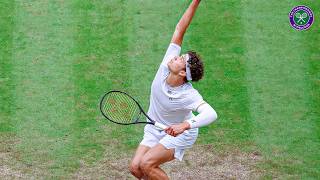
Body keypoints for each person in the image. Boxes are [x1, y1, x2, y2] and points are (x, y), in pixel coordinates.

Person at [129, 0, 217, 179]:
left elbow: (211, 114)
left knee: (147, 164)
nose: (175, 57)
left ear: (183, 72)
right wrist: (195, 1)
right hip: (155, 128)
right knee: (136, 168)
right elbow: (179, 29)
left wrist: (184, 125)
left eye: (180, 59)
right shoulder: (166, 64)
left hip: (182, 134)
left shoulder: (188, 94)